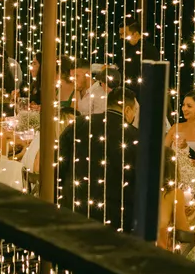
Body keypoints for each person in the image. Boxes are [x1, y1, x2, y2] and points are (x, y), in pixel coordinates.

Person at [56, 87, 139, 230]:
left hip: (73, 207)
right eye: (135, 111)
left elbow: (59, 165)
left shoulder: (79, 123)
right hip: (115, 216)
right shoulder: (136, 137)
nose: (134, 116)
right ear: (127, 110)